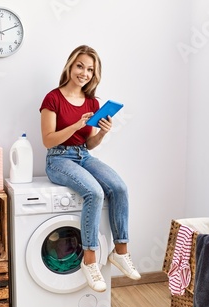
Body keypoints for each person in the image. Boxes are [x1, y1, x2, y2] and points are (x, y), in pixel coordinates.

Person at [39, 45, 140, 292]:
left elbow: (90, 144)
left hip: (83, 155)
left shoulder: (93, 102)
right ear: (70, 66)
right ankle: (90, 260)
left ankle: (121, 252)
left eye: (90, 69)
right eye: (80, 66)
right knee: (94, 192)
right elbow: (48, 140)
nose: (84, 73)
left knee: (118, 187)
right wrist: (74, 126)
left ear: (95, 74)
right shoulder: (52, 98)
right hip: (58, 159)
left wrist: (103, 132)